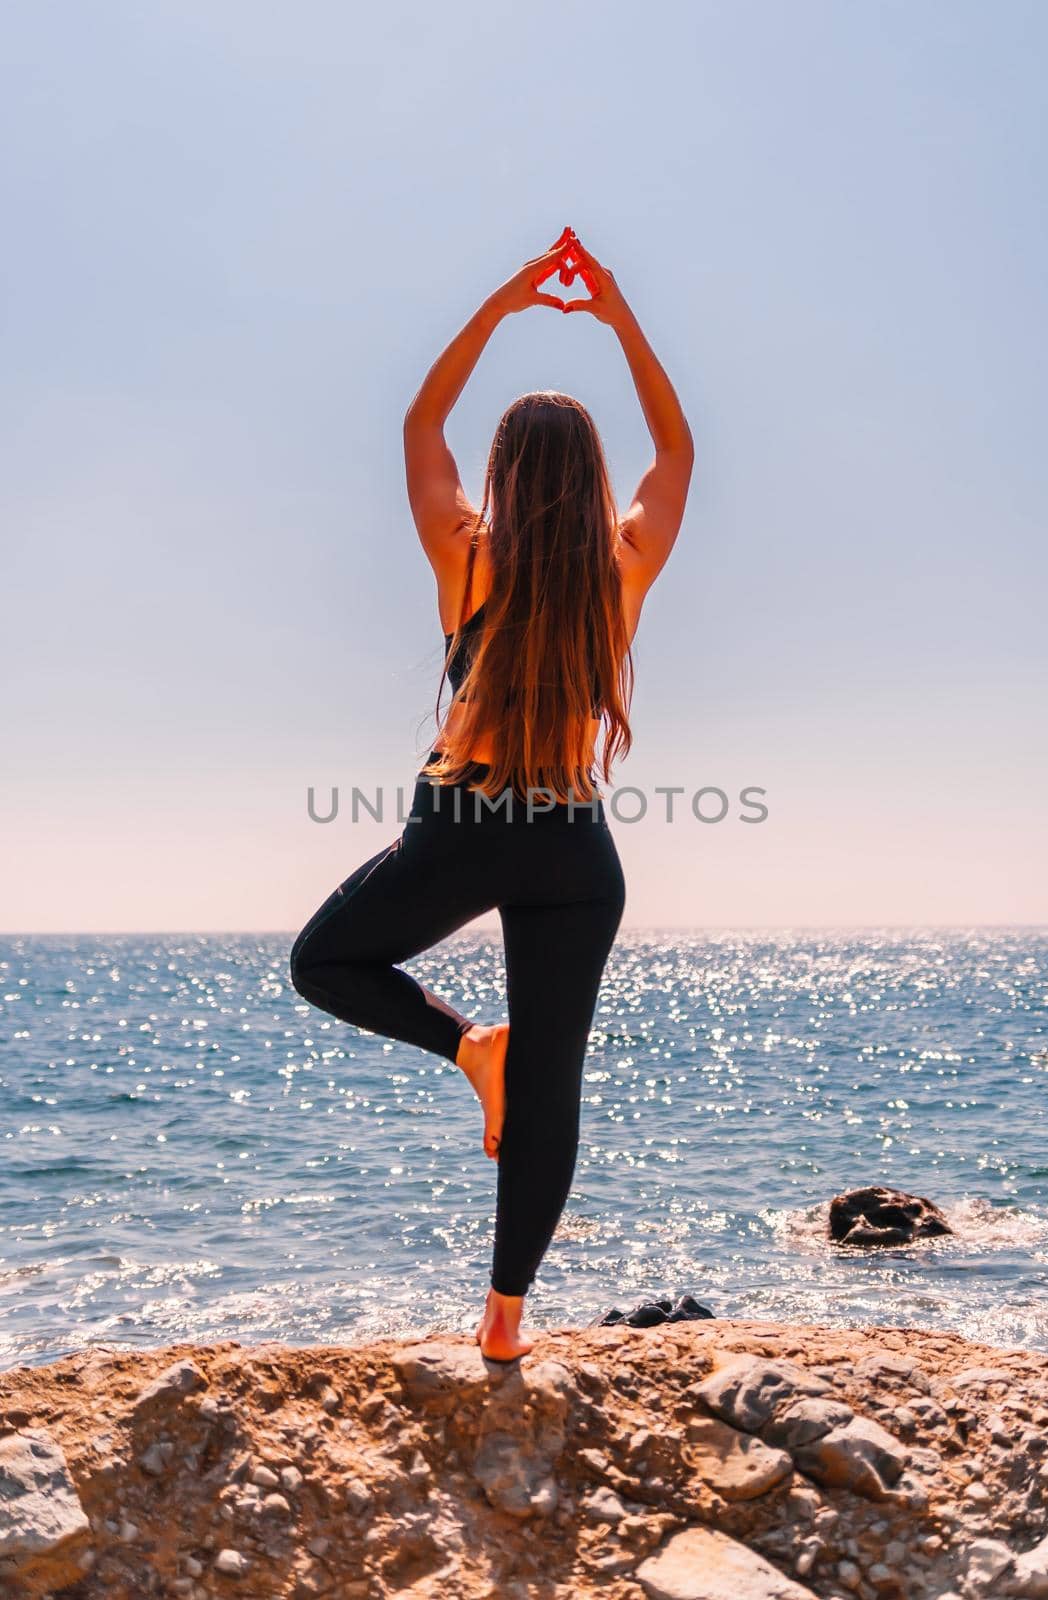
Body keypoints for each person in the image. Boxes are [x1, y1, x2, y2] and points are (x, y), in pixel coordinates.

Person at [290, 229, 693, 1361]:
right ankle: (504, 1323)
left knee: (323, 963)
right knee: (552, 1090)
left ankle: (471, 1048)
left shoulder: (466, 556)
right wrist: (615, 315)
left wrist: (506, 303)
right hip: (573, 851)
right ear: (590, 478)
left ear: (505, 474)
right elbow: (676, 447)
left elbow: (420, 422)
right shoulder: (625, 563)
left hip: (462, 830)